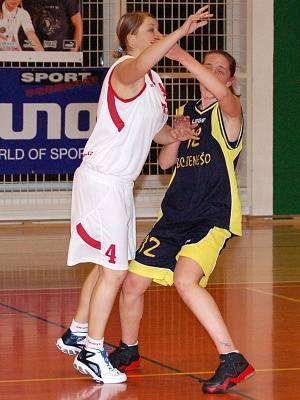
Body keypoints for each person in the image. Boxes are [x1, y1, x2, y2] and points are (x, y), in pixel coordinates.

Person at [56, 7, 213, 384]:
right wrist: (181, 31)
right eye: (151, 30)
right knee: (115, 268)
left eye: (160, 30)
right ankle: (93, 351)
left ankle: (77, 331)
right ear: (129, 38)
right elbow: (144, 63)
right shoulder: (124, 70)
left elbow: (156, 132)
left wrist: (175, 134)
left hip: (122, 185)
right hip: (102, 178)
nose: (157, 35)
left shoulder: (156, 84)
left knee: (109, 261)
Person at [108, 48, 255, 394]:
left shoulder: (230, 111)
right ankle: (128, 351)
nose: (213, 73)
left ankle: (231, 357)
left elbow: (222, 96)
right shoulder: (184, 113)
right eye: (208, 66)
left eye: (220, 70)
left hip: (211, 216)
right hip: (174, 216)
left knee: (185, 280)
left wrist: (182, 56)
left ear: (230, 81)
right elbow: (163, 165)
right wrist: (176, 135)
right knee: (132, 284)